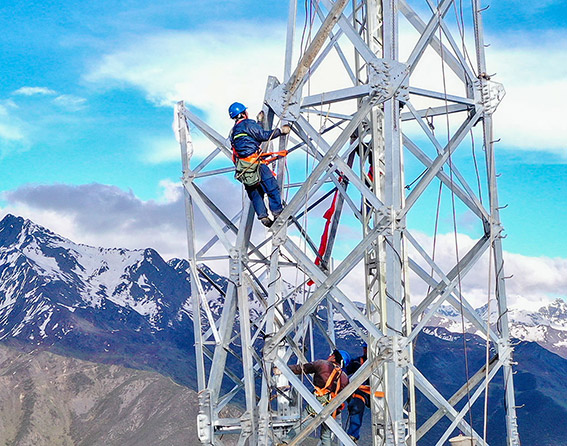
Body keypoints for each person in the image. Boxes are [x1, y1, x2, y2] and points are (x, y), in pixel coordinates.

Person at [228, 101, 290, 227]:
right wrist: (281, 131)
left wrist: (259, 122)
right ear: (244, 113)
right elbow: (262, 135)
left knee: (255, 192)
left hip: (243, 167)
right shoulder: (247, 123)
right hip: (256, 164)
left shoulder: (233, 131)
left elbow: (253, 134)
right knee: (271, 187)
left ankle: (263, 216)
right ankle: (277, 212)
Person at [278, 350, 350, 446]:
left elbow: (301, 369)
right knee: (326, 433)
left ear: (333, 356)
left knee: (304, 421)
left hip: (320, 400)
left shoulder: (322, 364)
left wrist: (282, 369)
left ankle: (286, 442)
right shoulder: (344, 378)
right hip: (333, 406)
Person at [345, 344, 370, 443]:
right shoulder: (358, 362)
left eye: (366, 348)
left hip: (378, 393)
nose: (364, 350)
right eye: (364, 348)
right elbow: (345, 371)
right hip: (363, 392)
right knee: (356, 406)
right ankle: (353, 435)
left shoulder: (386, 363)